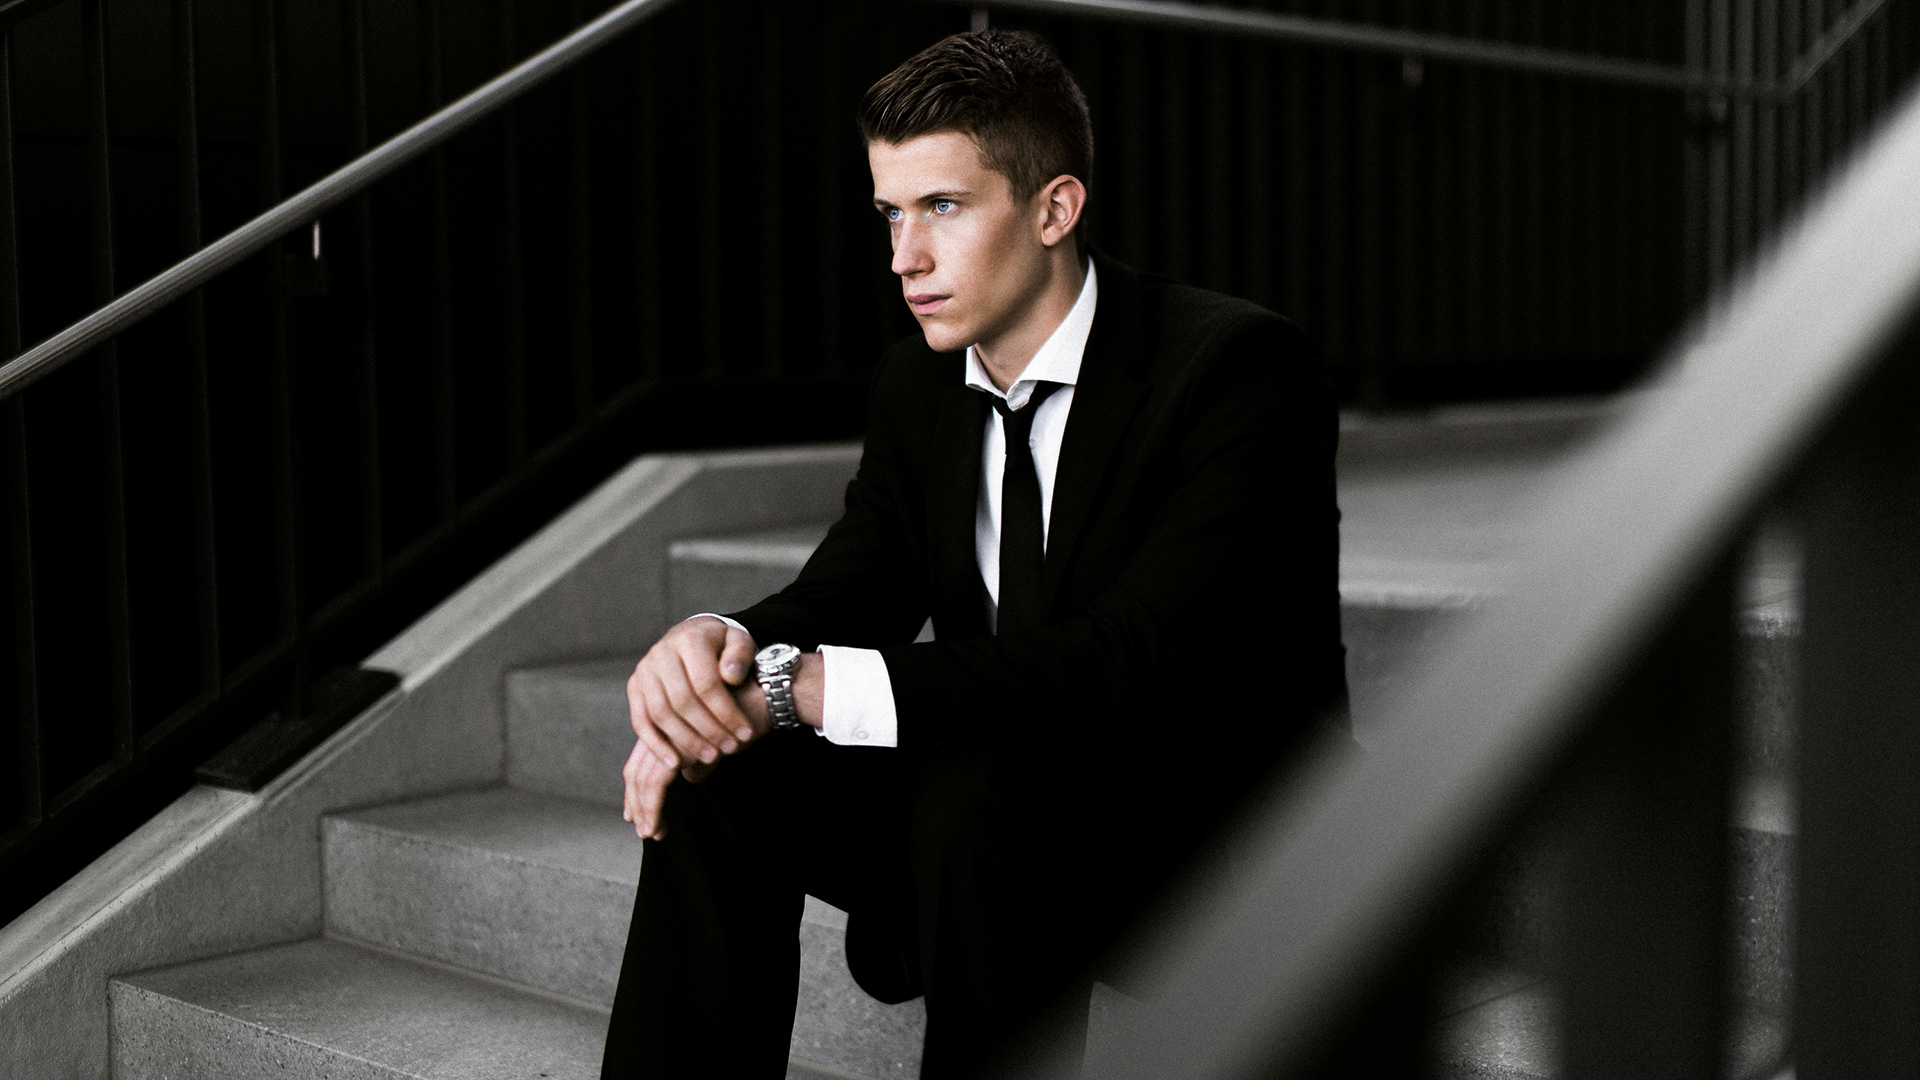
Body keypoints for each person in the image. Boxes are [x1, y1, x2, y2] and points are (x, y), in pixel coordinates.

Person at [600, 28, 1346, 1080]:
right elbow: (855, 582)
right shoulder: (919, 383)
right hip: (998, 805)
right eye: (890, 213)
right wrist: (721, 652)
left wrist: (804, 689)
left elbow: (1137, 658)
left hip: (1204, 824)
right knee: (715, 767)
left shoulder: (1236, 369)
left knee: (972, 796)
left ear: (1055, 209)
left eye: (943, 207)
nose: (903, 257)